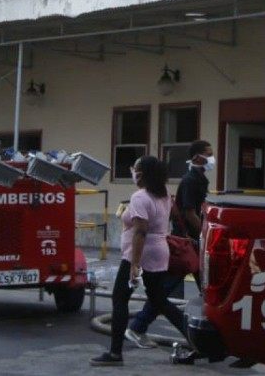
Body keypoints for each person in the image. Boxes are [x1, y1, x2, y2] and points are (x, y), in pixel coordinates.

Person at [90, 155, 188, 367]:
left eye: (134, 168)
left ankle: (115, 353)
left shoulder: (140, 197)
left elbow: (141, 231)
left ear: (141, 173)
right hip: (159, 252)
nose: (132, 171)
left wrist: (134, 264)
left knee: (120, 298)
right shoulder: (163, 195)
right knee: (159, 299)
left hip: (140, 254)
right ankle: (195, 338)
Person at [124, 140, 213, 348]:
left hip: (183, 245)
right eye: (208, 154)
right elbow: (187, 213)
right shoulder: (189, 181)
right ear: (197, 157)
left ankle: (208, 327)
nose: (211, 158)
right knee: (162, 293)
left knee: (189, 289)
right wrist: (205, 234)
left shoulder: (195, 180)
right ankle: (138, 327)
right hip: (185, 245)